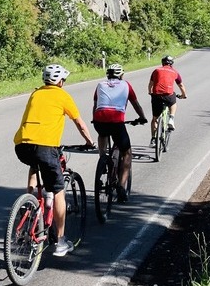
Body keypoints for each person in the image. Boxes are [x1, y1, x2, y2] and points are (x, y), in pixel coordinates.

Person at [13, 63, 95, 257]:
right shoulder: (63, 95)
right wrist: (89, 142)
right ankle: (60, 241)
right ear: (60, 81)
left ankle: (30, 201)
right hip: (46, 148)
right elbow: (79, 123)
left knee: (35, 166)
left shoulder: (35, 94)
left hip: (22, 146)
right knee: (58, 191)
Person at [92, 63, 147, 203]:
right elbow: (136, 104)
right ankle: (121, 186)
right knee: (127, 153)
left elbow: (96, 104)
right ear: (121, 75)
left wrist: (95, 119)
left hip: (99, 119)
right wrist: (142, 117)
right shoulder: (126, 85)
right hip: (116, 122)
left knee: (102, 134)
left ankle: (102, 159)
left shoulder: (99, 85)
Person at [149, 55, 187, 144]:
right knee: (173, 103)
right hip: (168, 95)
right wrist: (183, 95)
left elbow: (150, 84)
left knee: (154, 118)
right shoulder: (175, 72)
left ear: (162, 63)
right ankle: (171, 118)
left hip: (156, 95)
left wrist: (150, 92)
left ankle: (153, 139)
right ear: (171, 64)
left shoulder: (156, 70)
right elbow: (181, 85)